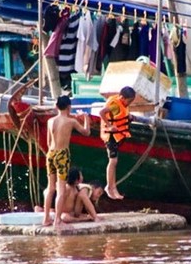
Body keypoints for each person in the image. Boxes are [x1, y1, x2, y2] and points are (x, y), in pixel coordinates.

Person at [43, 95, 90, 227]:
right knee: (61, 189)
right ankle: (57, 220)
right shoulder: (71, 121)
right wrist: (86, 118)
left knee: (50, 188)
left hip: (50, 154)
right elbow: (86, 132)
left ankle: (46, 218)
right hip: (62, 155)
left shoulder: (50, 121)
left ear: (56, 107)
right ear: (69, 107)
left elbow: (48, 142)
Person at [99, 86, 136, 200]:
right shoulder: (115, 104)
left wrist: (129, 117)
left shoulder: (122, 104)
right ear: (122, 97)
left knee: (115, 162)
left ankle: (113, 187)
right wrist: (110, 126)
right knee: (113, 161)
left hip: (117, 136)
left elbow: (121, 114)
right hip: (111, 136)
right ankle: (109, 187)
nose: (129, 103)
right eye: (129, 101)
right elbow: (102, 112)